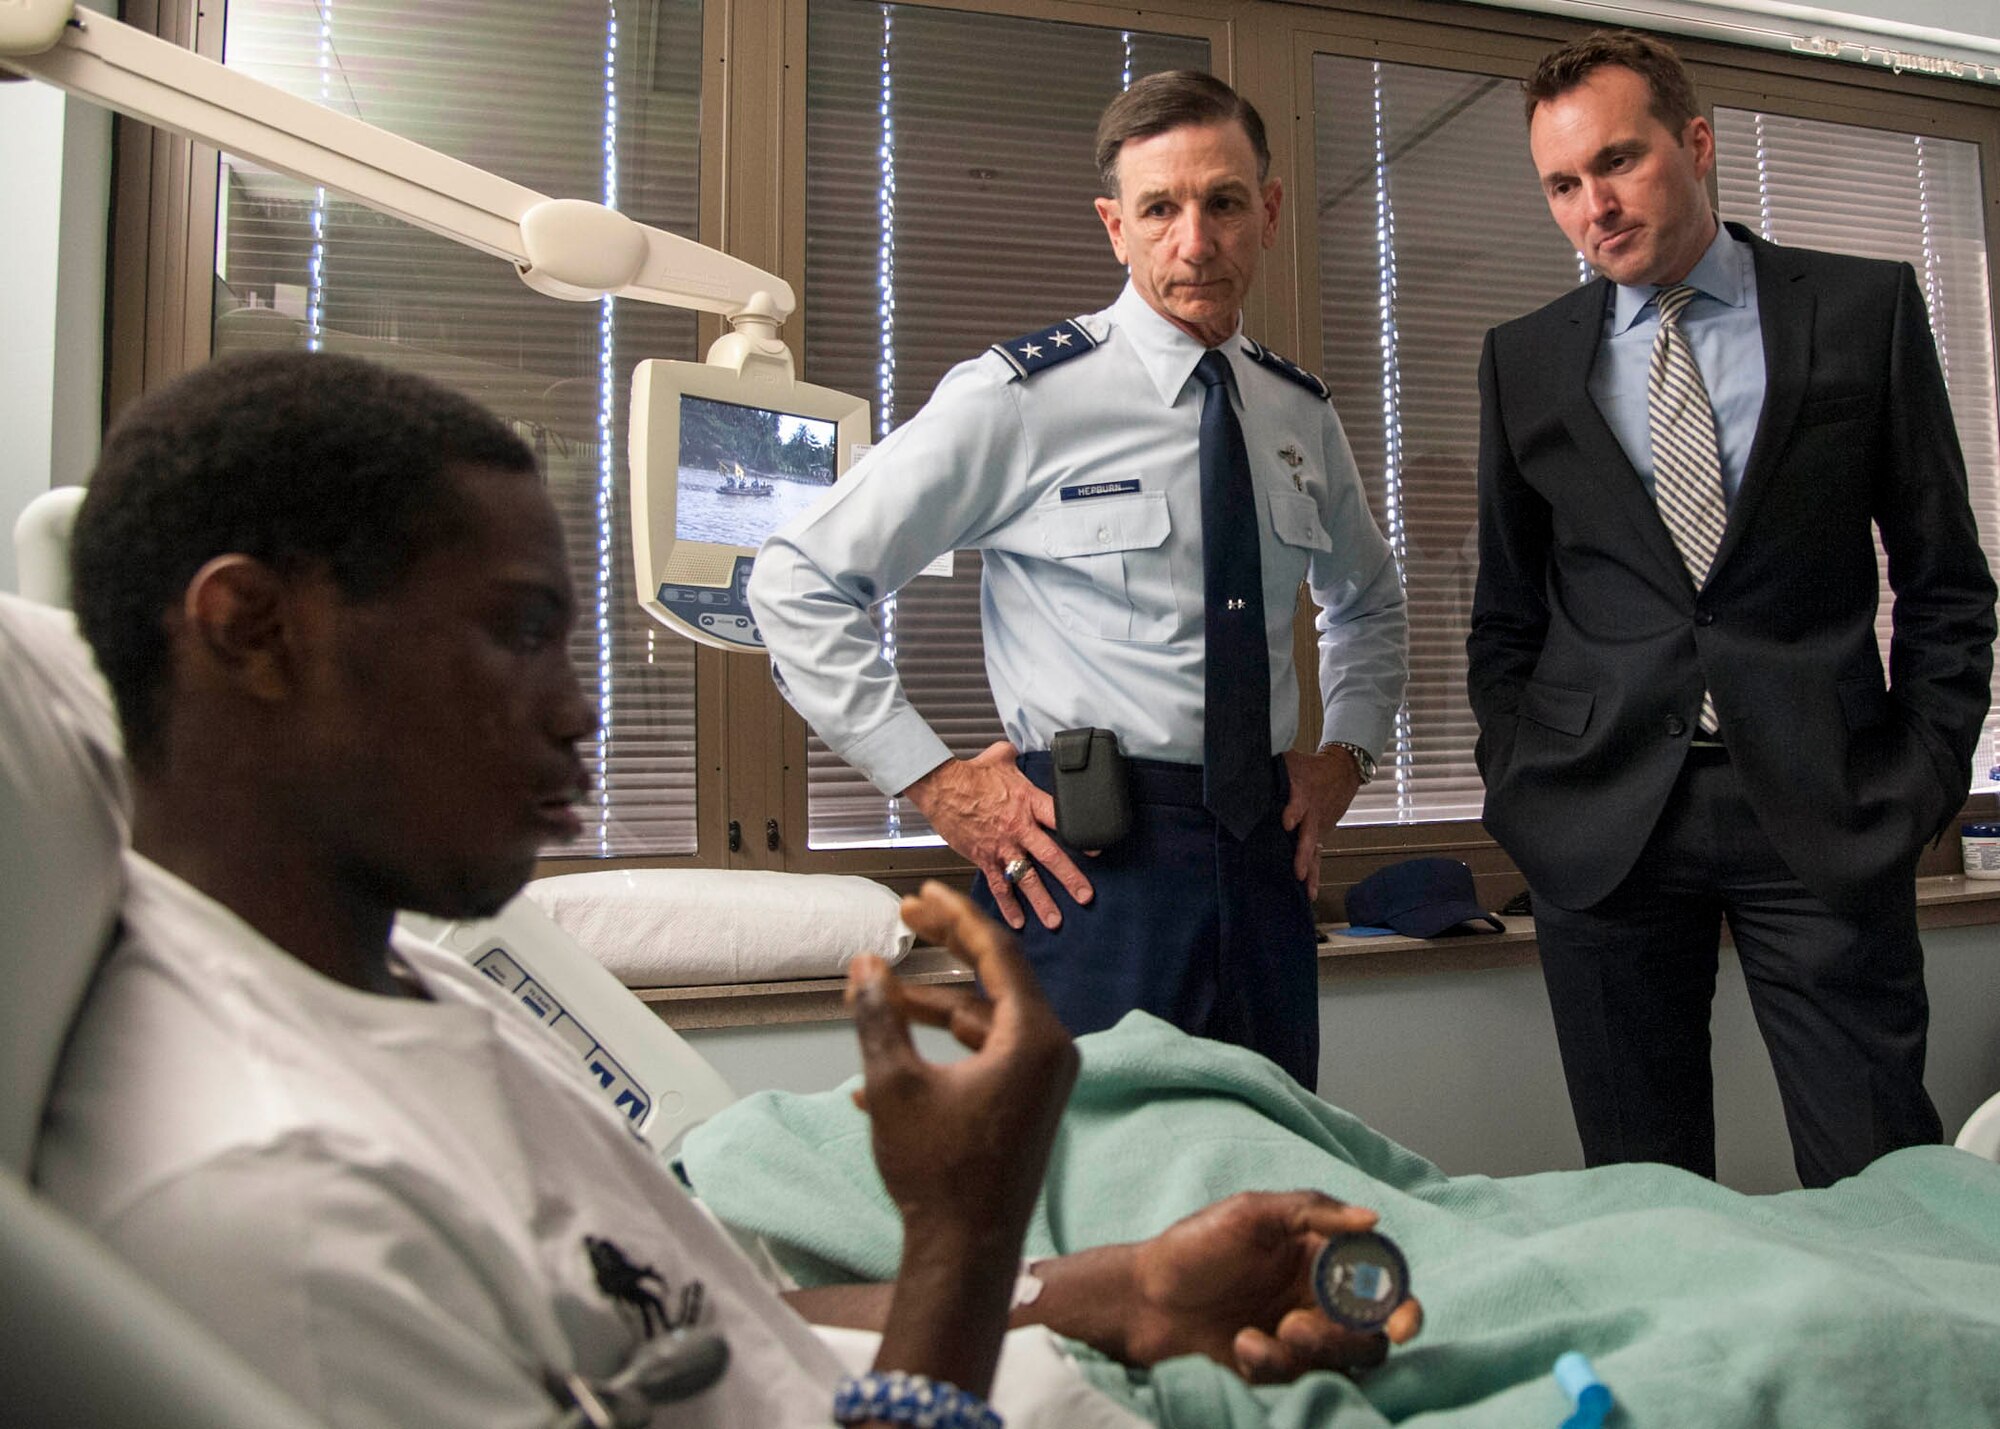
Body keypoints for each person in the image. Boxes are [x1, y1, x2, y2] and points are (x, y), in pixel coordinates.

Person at [35, 351, 1419, 1429]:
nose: (582, 714)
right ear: (251, 631)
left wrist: (1116, 1288)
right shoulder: (290, 1214)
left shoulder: (402, 984)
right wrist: (960, 1230)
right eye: (518, 632)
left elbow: (710, 1320)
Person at [747, 71, 1407, 1090]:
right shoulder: (1020, 399)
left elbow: (1367, 601)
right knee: (1093, 1198)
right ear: (1114, 226)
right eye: (1159, 209)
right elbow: (794, 580)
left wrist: (1344, 759)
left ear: (1266, 210)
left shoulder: (1297, 413)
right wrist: (936, 781)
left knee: (1270, 1180)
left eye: (1223, 202)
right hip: (1088, 866)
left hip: (1263, 859)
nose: (1195, 241)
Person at [1466, 31, 1997, 1187]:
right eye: (1561, 183)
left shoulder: (1861, 310)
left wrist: (1914, 785)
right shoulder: (1523, 362)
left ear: (1693, 143)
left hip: (1821, 804)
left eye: (1618, 162)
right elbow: (1504, 613)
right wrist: (1523, 787)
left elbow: (1944, 581)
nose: (1592, 207)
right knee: (1639, 1187)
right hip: (1601, 820)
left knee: (1880, 1177)